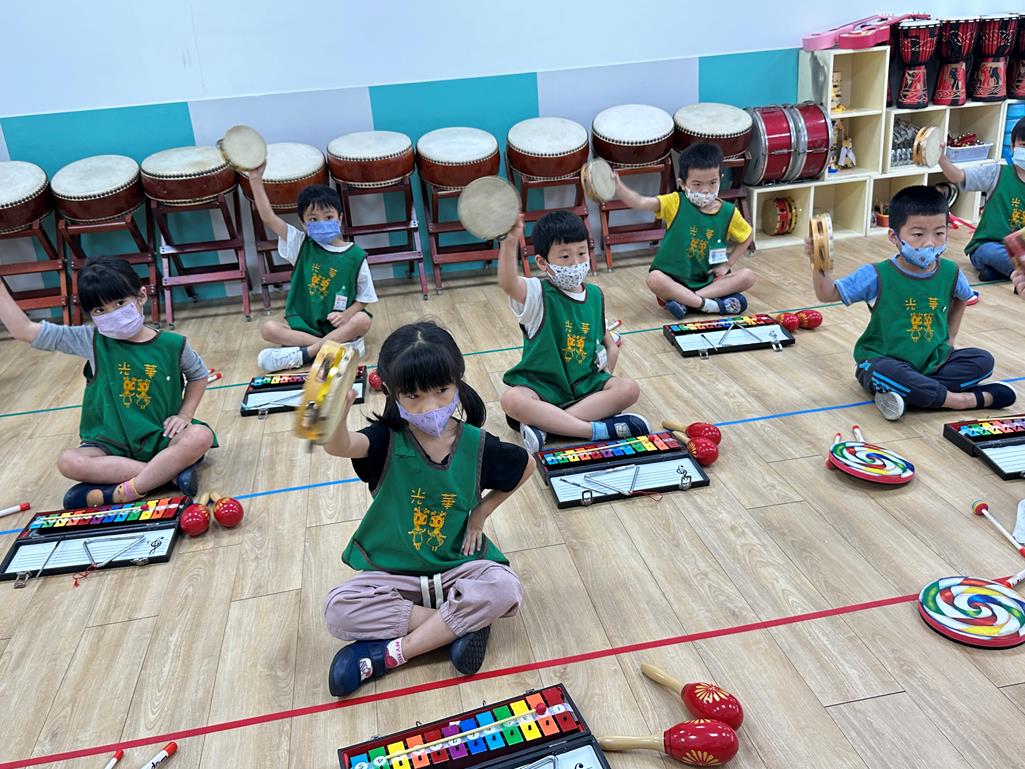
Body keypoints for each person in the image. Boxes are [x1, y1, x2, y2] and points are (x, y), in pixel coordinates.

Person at [322, 321, 532, 697]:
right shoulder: (385, 442)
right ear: (391, 392)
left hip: (458, 566)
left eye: (441, 391)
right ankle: (457, 623)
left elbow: (526, 465)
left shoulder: (477, 444)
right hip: (396, 574)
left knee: (504, 587)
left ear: (457, 382)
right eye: (414, 395)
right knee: (338, 609)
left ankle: (392, 654)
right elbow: (339, 445)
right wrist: (335, 410)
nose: (430, 406)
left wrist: (481, 513)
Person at [0, 256, 216, 507]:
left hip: (161, 436)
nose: (111, 314)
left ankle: (126, 490)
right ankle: (169, 474)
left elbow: (198, 375)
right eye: (99, 310)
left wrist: (185, 414)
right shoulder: (90, 340)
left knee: (200, 436)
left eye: (120, 303)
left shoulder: (173, 344)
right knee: (69, 462)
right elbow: (24, 331)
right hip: (110, 444)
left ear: (142, 296)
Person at [809, 185, 1016, 421]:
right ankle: (965, 400)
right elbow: (827, 293)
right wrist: (818, 261)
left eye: (939, 233)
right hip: (884, 361)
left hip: (934, 362)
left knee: (983, 361)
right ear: (894, 237)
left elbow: (962, 298)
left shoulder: (951, 272)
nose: (929, 243)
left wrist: (950, 337)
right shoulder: (877, 275)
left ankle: (911, 393)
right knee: (881, 371)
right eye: (918, 235)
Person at [498, 211, 649, 452]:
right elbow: (508, 283)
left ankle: (547, 427)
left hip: (584, 385)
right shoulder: (537, 294)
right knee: (512, 399)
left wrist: (609, 363)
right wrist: (509, 241)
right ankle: (594, 430)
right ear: (542, 263)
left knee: (629, 388)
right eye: (565, 256)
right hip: (543, 386)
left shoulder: (595, 294)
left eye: (582, 253)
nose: (576, 262)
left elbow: (605, 341)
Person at [248, 167, 376, 372]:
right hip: (306, 326)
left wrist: (346, 315)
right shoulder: (300, 244)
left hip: (339, 326)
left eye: (328, 216)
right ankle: (335, 348)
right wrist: (255, 179)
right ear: (303, 224)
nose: (322, 223)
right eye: (313, 219)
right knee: (268, 329)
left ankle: (304, 354)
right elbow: (269, 217)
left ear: (340, 218)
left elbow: (365, 298)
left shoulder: (356, 255)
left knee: (362, 320)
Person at [615, 142, 755, 319]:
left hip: (708, 281)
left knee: (748, 276)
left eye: (713, 183)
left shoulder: (728, 212)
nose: (706, 190)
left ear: (720, 178)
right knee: (654, 279)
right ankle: (712, 305)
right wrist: (619, 187)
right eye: (697, 184)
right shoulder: (675, 202)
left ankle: (687, 302)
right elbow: (641, 202)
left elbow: (747, 235)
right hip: (674, 281)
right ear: (682, 183)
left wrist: (728, 264)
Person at [938, 117, 1025, 281]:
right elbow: (958, 176)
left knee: (1018, 258)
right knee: (993, 253)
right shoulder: (996, 173)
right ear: (1012, 147)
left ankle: (1001, 271)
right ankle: (1010, 270)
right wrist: (942, 160)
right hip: (989, 245)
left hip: (1021, 250)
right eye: (1024, 145)